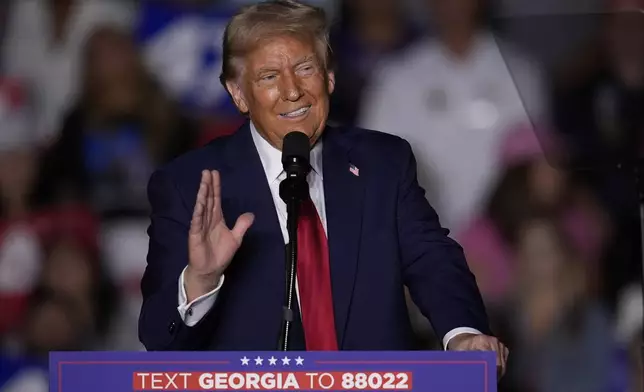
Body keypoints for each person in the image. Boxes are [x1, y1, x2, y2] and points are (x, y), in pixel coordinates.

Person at [140, 0, 508, 373]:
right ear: (238, 94)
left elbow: (433, 260)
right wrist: (201, 280)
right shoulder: (190, 184)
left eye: (304, 68)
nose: (292, 91)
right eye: (269, 76)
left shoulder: (383, 164)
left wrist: (463, 334)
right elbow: (158, 338)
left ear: (329, 76)